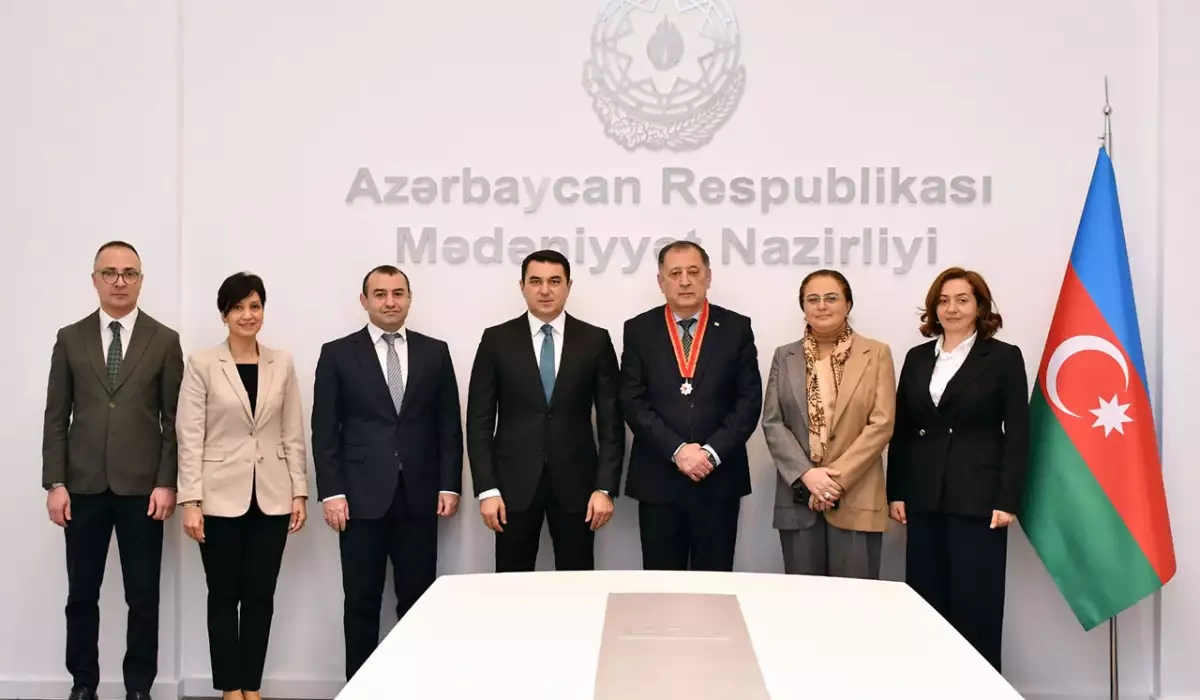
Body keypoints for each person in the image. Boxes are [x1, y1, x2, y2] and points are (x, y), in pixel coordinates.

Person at [41, 240, 184, 700]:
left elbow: (173, 420)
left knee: (143, 597)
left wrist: (166, 482)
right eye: (110, 273)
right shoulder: (70, 337)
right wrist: (55, 482)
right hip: (81, 489)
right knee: (82, 595)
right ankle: (84, 683)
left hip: (143, 491)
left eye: (129, 273)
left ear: (141, 280)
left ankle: (139, 687)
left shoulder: (164, 340)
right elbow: (56, 416)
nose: (119, 281)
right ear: (95, 279)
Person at [311, 265, 464, 680]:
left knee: (418, 601)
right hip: (359, 499)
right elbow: (325, 429)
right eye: (380, 294)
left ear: (409, 298)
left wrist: (450, 484)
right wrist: (332, 492)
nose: (390, 301)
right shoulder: (338, 353)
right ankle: (360, 686)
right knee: (361, 601)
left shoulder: (435, 351)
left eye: (398, 293)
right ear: (364, 301)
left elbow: (449, 424)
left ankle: (414, 685)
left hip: (420, 495)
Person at [887, 266, 1029, 672]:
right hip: (924, 496)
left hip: (979, 499)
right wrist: (897, 490)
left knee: (976, 605)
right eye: (944, 301)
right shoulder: (917, 358)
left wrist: (1008, 498)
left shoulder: (1003, 357)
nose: (952, 308)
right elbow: (903, 430)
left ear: (979, 307)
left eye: (962, 300)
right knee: (926, 604)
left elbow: (1018, 432)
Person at [175, 273, 309, 700]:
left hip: (272, 496)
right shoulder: (202, 364)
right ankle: (229, 687)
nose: (247, 315)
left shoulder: (282, 363)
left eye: (254, 306)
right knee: (223, 594)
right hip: (217, 497)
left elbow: (292, 432)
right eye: (237, 308)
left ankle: (252, 685)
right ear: (224, 315)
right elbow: (189, 435)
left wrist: (299, 491)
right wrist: (190, 500)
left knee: (260, 595)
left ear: (263, 311)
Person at [465, 249, 624, 572]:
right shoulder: (496, 340)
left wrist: (604, 487)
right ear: (522, 286)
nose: (545, 290)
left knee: (577, 583)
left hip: (579, 487)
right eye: (536, 281)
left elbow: (612, 421)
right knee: (511, 583)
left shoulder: (595, 340)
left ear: (569, 285)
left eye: (554, 281)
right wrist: (487, 488)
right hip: (512, 487)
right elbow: (479, 420)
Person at [618, 240, 762, 571]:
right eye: (675, 273)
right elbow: (632, 400)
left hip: (718, 479)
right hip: (658, 479)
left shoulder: (736, 328)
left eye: (693, 272)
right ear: (661, 281)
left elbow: (748, 400)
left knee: (715, 584)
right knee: (661, 585)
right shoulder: (639, 329)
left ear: (708, 277)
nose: (685, 281)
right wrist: (678, 451)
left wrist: (709, 454)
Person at [760, 270, 896, 579]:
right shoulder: (784, 356)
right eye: (813, 299)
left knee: (855, 599)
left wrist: (833, 482)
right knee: (803, 599)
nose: (822, 305)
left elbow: (882, 423)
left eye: (831, 298)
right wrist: (808, 476)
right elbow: (772, 421)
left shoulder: (876, 353)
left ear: (848, 304)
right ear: (803, 307)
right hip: (799, 497)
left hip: (857, 496)